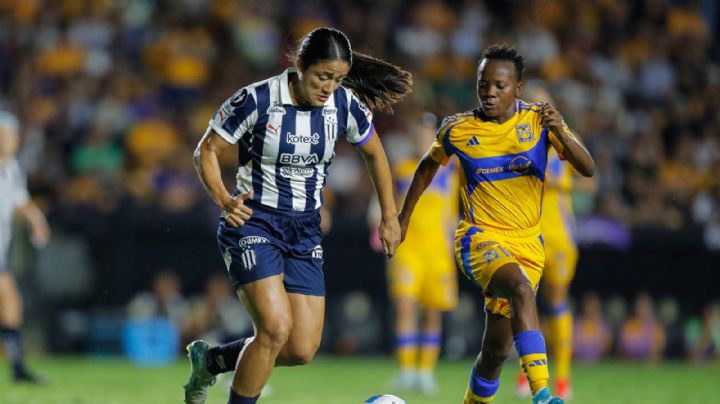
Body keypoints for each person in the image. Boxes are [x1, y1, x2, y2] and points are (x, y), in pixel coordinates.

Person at [185, 27, 411, 404]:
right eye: (323, 77)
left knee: (299, 349)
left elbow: (375, 153)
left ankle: (210, 361)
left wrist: (390, 215)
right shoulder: (256, 99)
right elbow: (206, 151)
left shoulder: (344, 104)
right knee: (274, 329)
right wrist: (224, 199)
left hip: (305, 229)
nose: (329, 87)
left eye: (338, 79)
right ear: (299, 65)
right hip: (254, 221)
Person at [398, 44, 594, 404]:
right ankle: (544, 393)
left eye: (499, 86)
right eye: (482, 84)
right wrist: (402, 218)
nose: (489, 92)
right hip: (478, 238)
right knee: (519, 288)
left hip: (529, 244)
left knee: (495, 352)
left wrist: (561, 134)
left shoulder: (539, 121)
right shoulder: (457, 129)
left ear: (518, 88)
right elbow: (427, 167)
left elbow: (589, 168)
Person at [384, 112, 458, 395]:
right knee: (404, 306)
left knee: (432, 311)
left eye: (428, 134)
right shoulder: (402, 168)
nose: (422, 139)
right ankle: (406, 370)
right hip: (408, 249)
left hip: (438, 250)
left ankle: (426, 372)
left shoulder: (450, 168)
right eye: (419, 134)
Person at [516, 86, 580, 399]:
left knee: (556, 303)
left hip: (559, 238)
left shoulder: (562, 138)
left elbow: (585, 175)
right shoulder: (517, 140)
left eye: (544, 102)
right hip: (528, 235)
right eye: (533, 102)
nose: (538, 107)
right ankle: (526, 374)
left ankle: (564, 379)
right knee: (525, 302)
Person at [0, 111, 51, 383]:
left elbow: (20, 203)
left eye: (10, 135)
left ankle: (18, 368)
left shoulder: (12, 167)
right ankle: (18, 369)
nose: (6, 140)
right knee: (10, 302)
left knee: (12, 306)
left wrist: (36, 220)